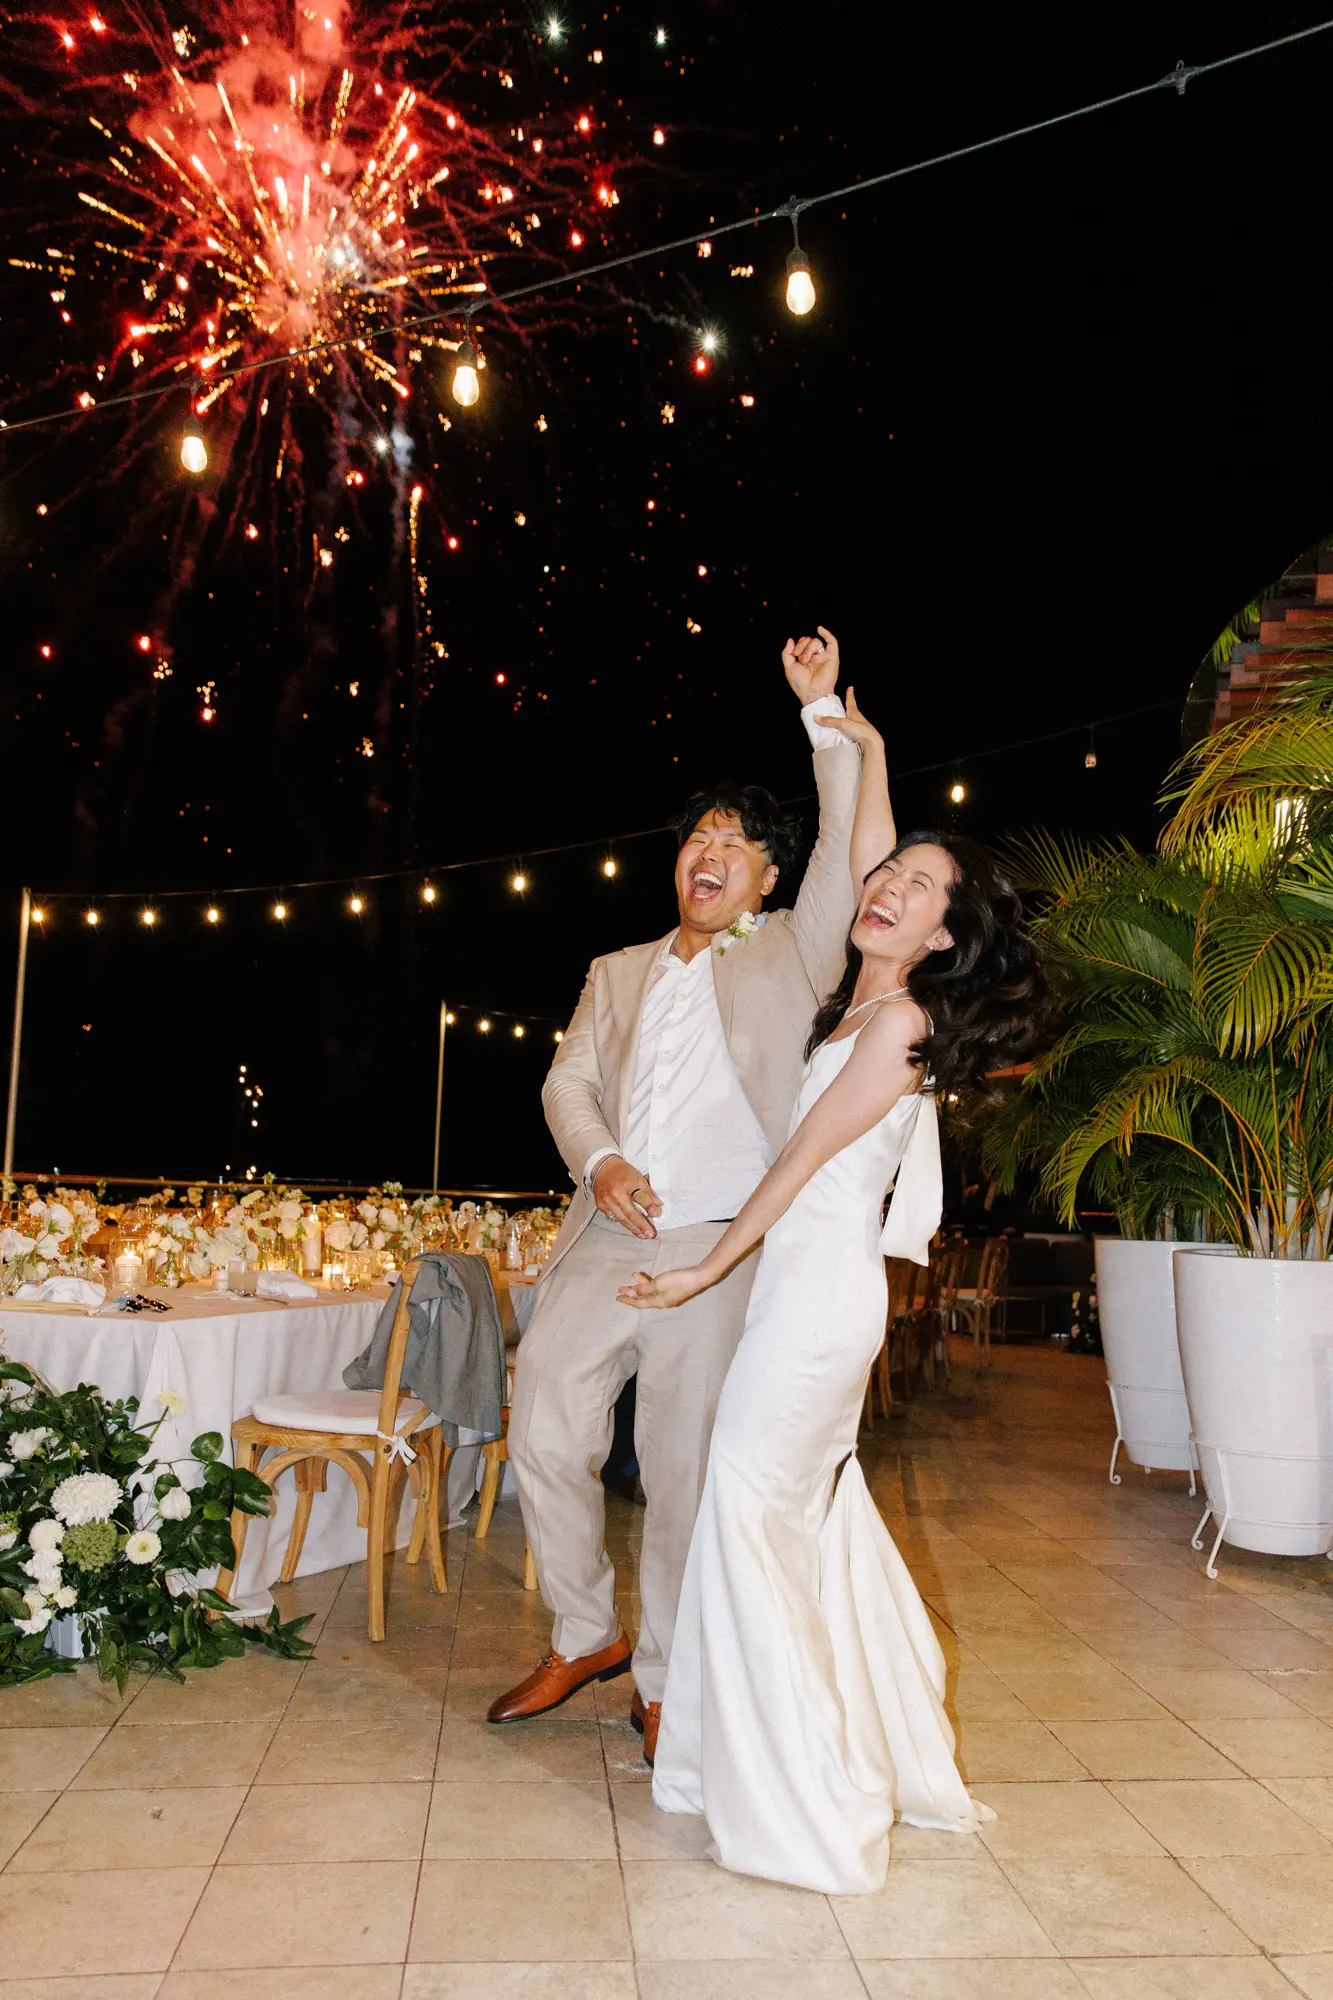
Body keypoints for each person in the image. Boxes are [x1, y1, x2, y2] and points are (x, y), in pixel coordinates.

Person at [618, 686, 1044, 1894]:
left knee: (751, 1514)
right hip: (802, 1298)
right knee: (784, 1521)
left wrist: (708, 1263)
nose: (886, 887)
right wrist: (860, 740)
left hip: (812, 1307)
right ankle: (732, 1757)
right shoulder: (870, 985)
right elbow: (871, 847)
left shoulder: (901, 1019)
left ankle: (801, 1792)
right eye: (887, 873)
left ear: (946, 937)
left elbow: (799, 1166)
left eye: (916, 889)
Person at [489, 631, 862, 1755]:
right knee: (544, 1426)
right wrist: (600, 1160)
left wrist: (818, 714)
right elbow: (565, 1080)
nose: (710, 848)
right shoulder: (616, 970)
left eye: (736, 840)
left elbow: (846, 844)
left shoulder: (794, 952)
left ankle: (662, 1676)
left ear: (765, 876)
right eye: (700, 832)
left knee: (684, 1465)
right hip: (609, 1234)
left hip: (716, 1252)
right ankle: (586, 1629)